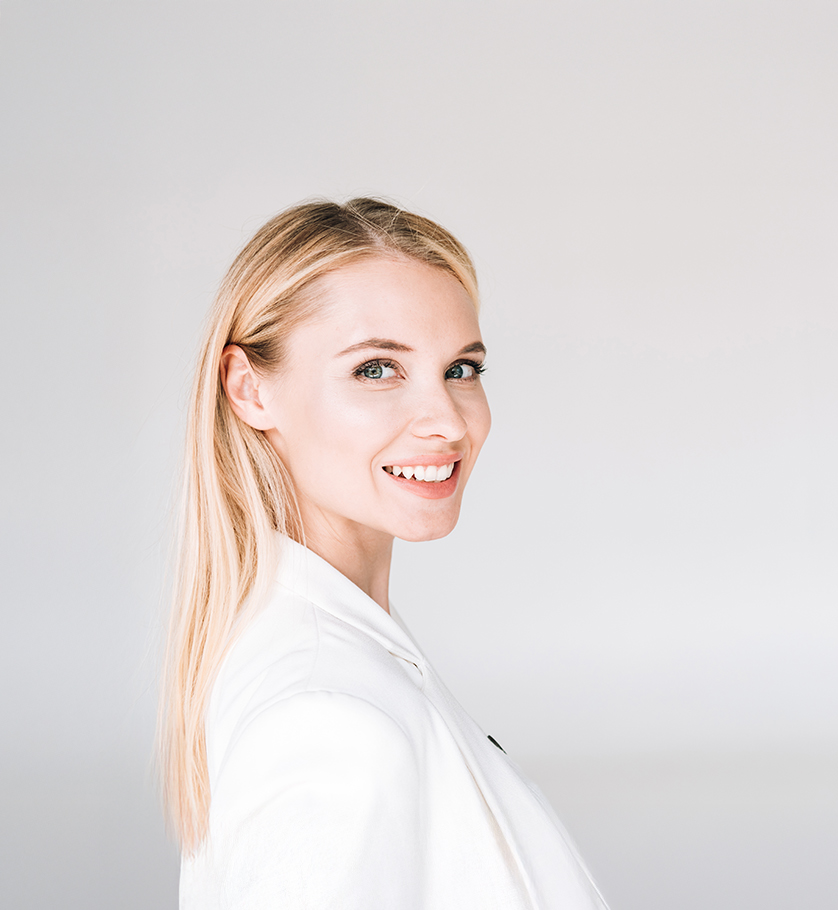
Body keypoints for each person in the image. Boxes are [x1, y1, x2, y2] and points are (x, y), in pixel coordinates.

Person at [158, 198, 609, 909]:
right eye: (376, 369)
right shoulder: (326, 718)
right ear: (250, 390)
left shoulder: (342, 658)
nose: (447, 422)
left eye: (461, 369)